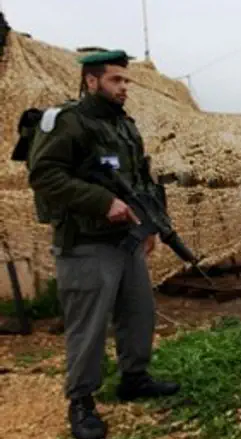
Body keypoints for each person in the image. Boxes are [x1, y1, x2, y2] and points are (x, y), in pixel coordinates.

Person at [27, 49, 179, 439]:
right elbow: (44, 175)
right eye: (116, 80)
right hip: (86, 244)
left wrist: (149, 227)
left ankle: (135, 378)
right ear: (91, 81)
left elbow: (143, 183)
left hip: (125, 242)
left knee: (138, 313)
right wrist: (102, 202)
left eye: (126, 80)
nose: (124, 87)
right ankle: (81, 401)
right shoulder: (66, 122)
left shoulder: (124, 126)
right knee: (88, 326)